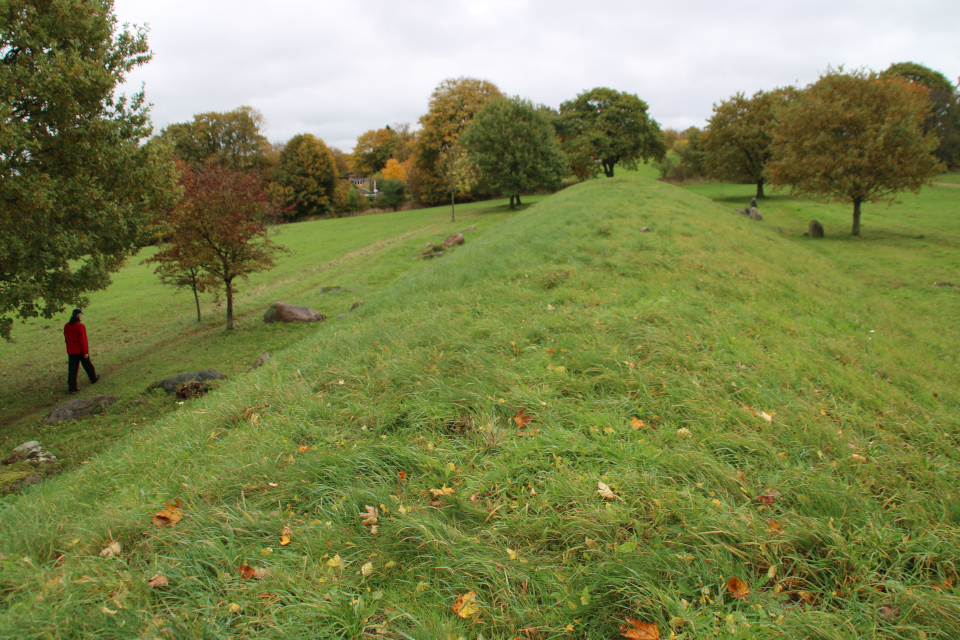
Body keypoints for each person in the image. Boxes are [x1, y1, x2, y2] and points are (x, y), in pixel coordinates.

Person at [63, 309, 100, 393]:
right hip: (79, 350)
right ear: (79, 315)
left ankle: (72, 388)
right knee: (88, 366)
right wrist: (85, 352)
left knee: (72, 370)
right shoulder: (80, 326)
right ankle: (93, 379)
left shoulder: (66, 325)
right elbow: (83, 340)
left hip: (71, 350)